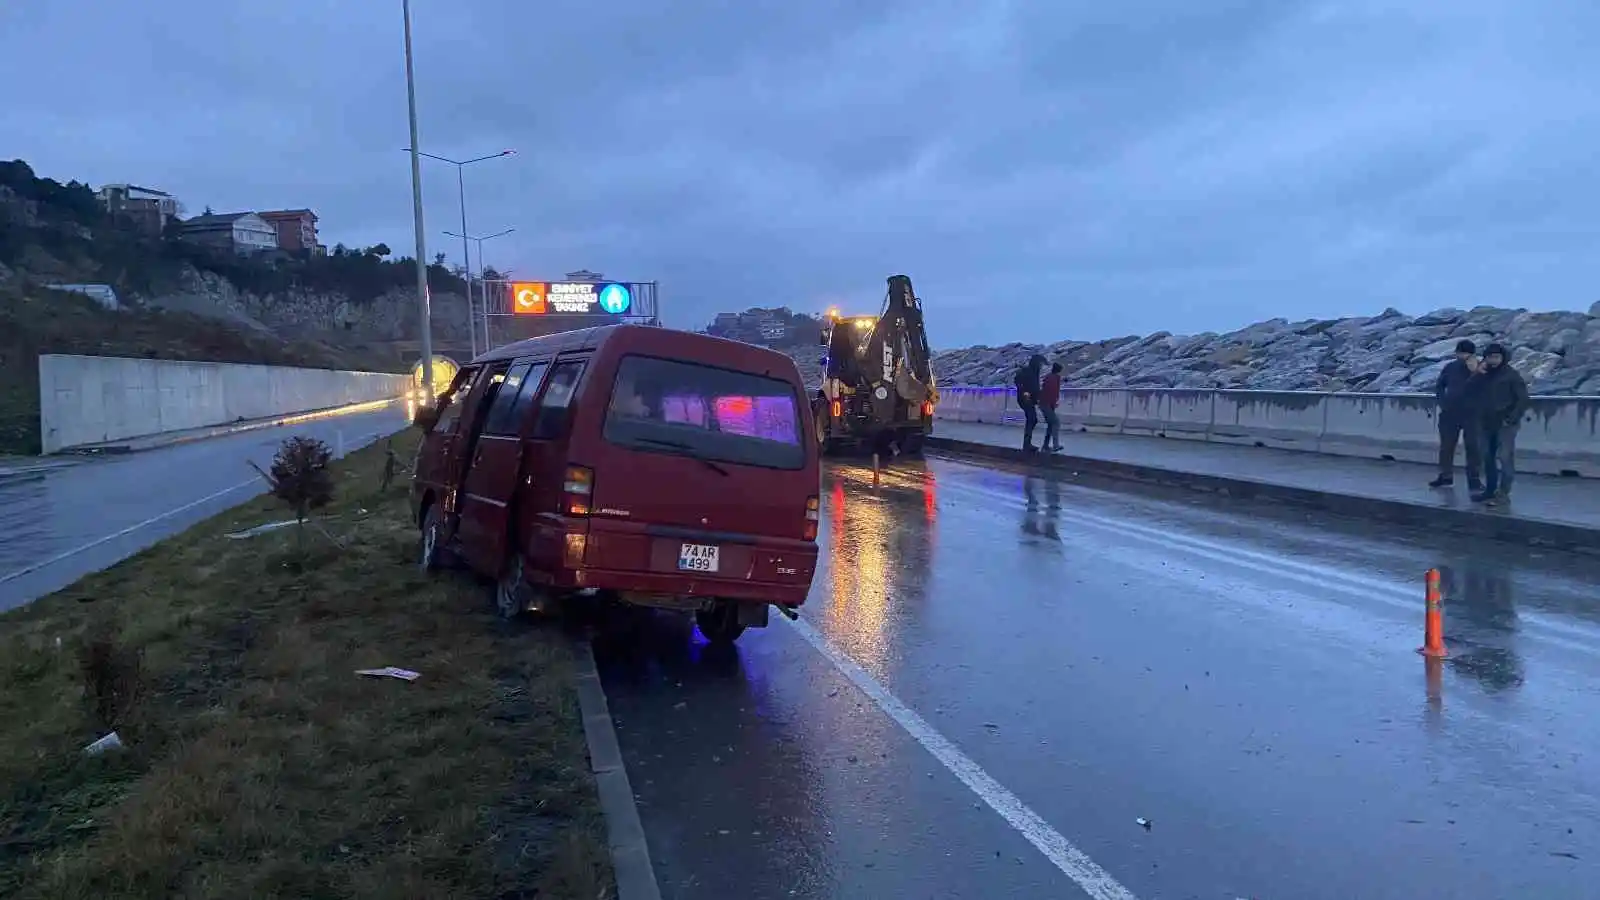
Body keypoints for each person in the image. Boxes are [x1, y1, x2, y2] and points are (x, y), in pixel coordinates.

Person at [1470, 343, 1530, 506]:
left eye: (1497, 357)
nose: (1493, 360)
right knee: (1487, 457)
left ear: (1503, 358)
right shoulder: (1483, 374)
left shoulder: (1511, 375)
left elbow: (1523, 399)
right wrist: (1477, 373)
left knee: (1504, 457)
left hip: (1505, 423)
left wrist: (1512, 418)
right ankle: (1490, 490)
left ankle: (1503, 493)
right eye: (1490, 357)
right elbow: (1469, 390)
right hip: (1486, 422)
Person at [1429, 340, 1483, 490]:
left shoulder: (1481, 367)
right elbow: (1440, 385)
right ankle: (1445, 476)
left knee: (1473, 447)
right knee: (1446, 446)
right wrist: (1442, 402)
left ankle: (1474, 479)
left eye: (1465, 353)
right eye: (1460, 353)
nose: (1462, 356)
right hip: (1450, 413)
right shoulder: (1450, 367)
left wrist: (1474, 371)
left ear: (1472, 354)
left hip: (1473, 414)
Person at [1012, 354, 1046, 452]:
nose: (1041, 366)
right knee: (1032, 419)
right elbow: (1018, 381)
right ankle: (1027, 444)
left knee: (1032, 420)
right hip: (1025, 399)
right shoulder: (1027, 371)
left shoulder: (1035, 372)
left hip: (1030, 399)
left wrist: (1038, 397)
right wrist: (1024, 392)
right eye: (1041, 364)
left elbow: (1034, 387)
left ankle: (1027, 443)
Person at [1039, 362, 1064, 452]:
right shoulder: (1055, 378)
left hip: (1045, 403)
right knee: (1056, 423)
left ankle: (1045, 446)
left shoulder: (1048, 377)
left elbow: (1046, 391)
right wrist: (1053, 403)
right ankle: (1055, 445)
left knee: (1051, 424)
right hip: (1047, 404)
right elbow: (1053, 392)